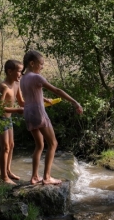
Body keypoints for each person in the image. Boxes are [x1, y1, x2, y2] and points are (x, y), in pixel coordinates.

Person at [20, 50, 83, 185]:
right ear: (32, 63)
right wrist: (75, 102)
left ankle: (34, 177)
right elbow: (57, 90)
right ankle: (47, 177)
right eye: (41, 64)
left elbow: (30, 94)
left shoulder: (23, 78)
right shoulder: (37, 77)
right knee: (53, 143)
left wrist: (44, 98)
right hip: (38, 113)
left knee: (39, 145)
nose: (42, 67)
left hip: (28, 113)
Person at [0, 60, 25, 185]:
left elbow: (22, 102)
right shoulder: (3, 87)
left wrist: (37, 104)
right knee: (5, 147)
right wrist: (17, 110)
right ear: (9, 71)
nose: (21, 74)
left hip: (8, 118)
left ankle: (8, 171)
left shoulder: (17, 84)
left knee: (11, 145)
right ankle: (4, 177)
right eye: (19, 71)